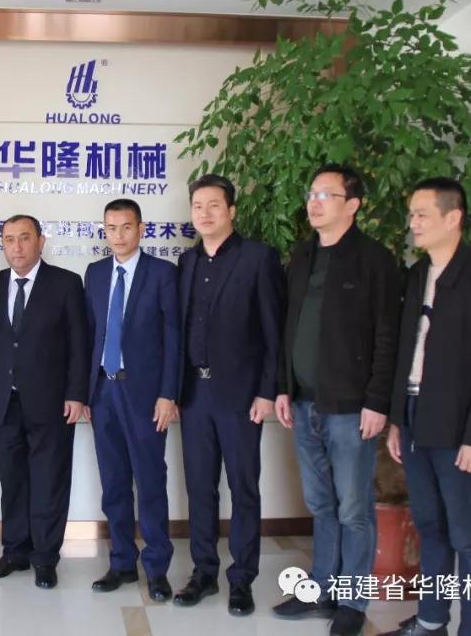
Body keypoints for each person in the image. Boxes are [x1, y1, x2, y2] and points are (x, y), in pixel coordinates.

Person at [271, 165, 402, 636]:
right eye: (312, 193)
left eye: (326, 194)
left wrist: (378, 401)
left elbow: (388, 336)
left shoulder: (375, 260)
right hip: (304, 403)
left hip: (352, 408)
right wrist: (283, 387)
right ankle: (321, 590)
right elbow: (290, 327)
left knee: (353, 509)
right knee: (321, 504)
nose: (315, 201)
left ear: (353, 205)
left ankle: (352, 601)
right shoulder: (303, 256)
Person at [380, 178, 471, 636]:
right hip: (415, 417)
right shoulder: (417, 274)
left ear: (453, 217)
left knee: (467, 535)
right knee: (430, 525)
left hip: (458, 427)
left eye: (422, 214)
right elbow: (405, 351)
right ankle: (431, 621)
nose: (413, 223)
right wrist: (397, 420)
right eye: (412, 214)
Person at [172, 174, 284, 616]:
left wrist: (267, 391)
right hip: (193, 394)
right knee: (200, 488)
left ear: (232, 210)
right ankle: (203, 572)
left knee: (243, 487)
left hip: (240, 396)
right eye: (198, 206)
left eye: (214, 205)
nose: (205, 213)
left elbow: (273, 331)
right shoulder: (186, 262)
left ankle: (242, 579)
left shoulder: (258, 258)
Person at [0, 214, 88, 590]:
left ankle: (45, 557)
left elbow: (79, 345)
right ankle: (15, 551)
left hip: (52, 402)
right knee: (13, 480)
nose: (17, 247)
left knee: (50, 480)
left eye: (24, 238)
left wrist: (77, 394)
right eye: (9, 239)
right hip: (4, 401)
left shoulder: (66, 283)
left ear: (40, 241)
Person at [83, 199, 179, 601]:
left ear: (141, 229)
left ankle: (156, 568)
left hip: (145, 394)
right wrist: (84, 393)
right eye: (111, 228)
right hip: (103, 391)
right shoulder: (95, 272)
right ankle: (122, 562)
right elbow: (90, 333)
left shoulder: (162, 273)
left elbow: (173, 337)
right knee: (114, 483)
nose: (118, 235)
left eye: (126, 227)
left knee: (150, 481)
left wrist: (168, 394)